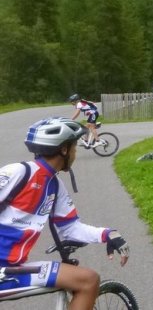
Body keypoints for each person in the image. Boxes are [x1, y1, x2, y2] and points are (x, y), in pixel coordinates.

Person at [0, 118, 130, 310]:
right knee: (88, 281)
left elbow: (70, 228)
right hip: (5, 269)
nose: (76, 153)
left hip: (12, 268)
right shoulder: (19, 172)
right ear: (64, 150)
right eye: (75, 147)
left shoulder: (54, 185)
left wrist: (107, 234)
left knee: (88, 280)